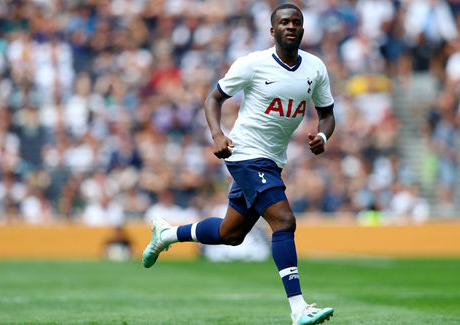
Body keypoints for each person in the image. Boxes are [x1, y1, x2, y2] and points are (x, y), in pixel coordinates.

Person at [142, 4, 335, 325]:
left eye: (297, 22)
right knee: (284, 222)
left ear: (303, 29)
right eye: (284, 22)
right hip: (245, 153)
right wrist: (217, 134)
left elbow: (327, 114)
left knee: (231, 233)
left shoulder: (315, 68)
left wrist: (324, 139)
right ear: (272, 31)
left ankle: (167, 234)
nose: (291, 27)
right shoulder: (252, 64)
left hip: (273, 160)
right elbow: (213, 98)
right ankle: (299, 307)